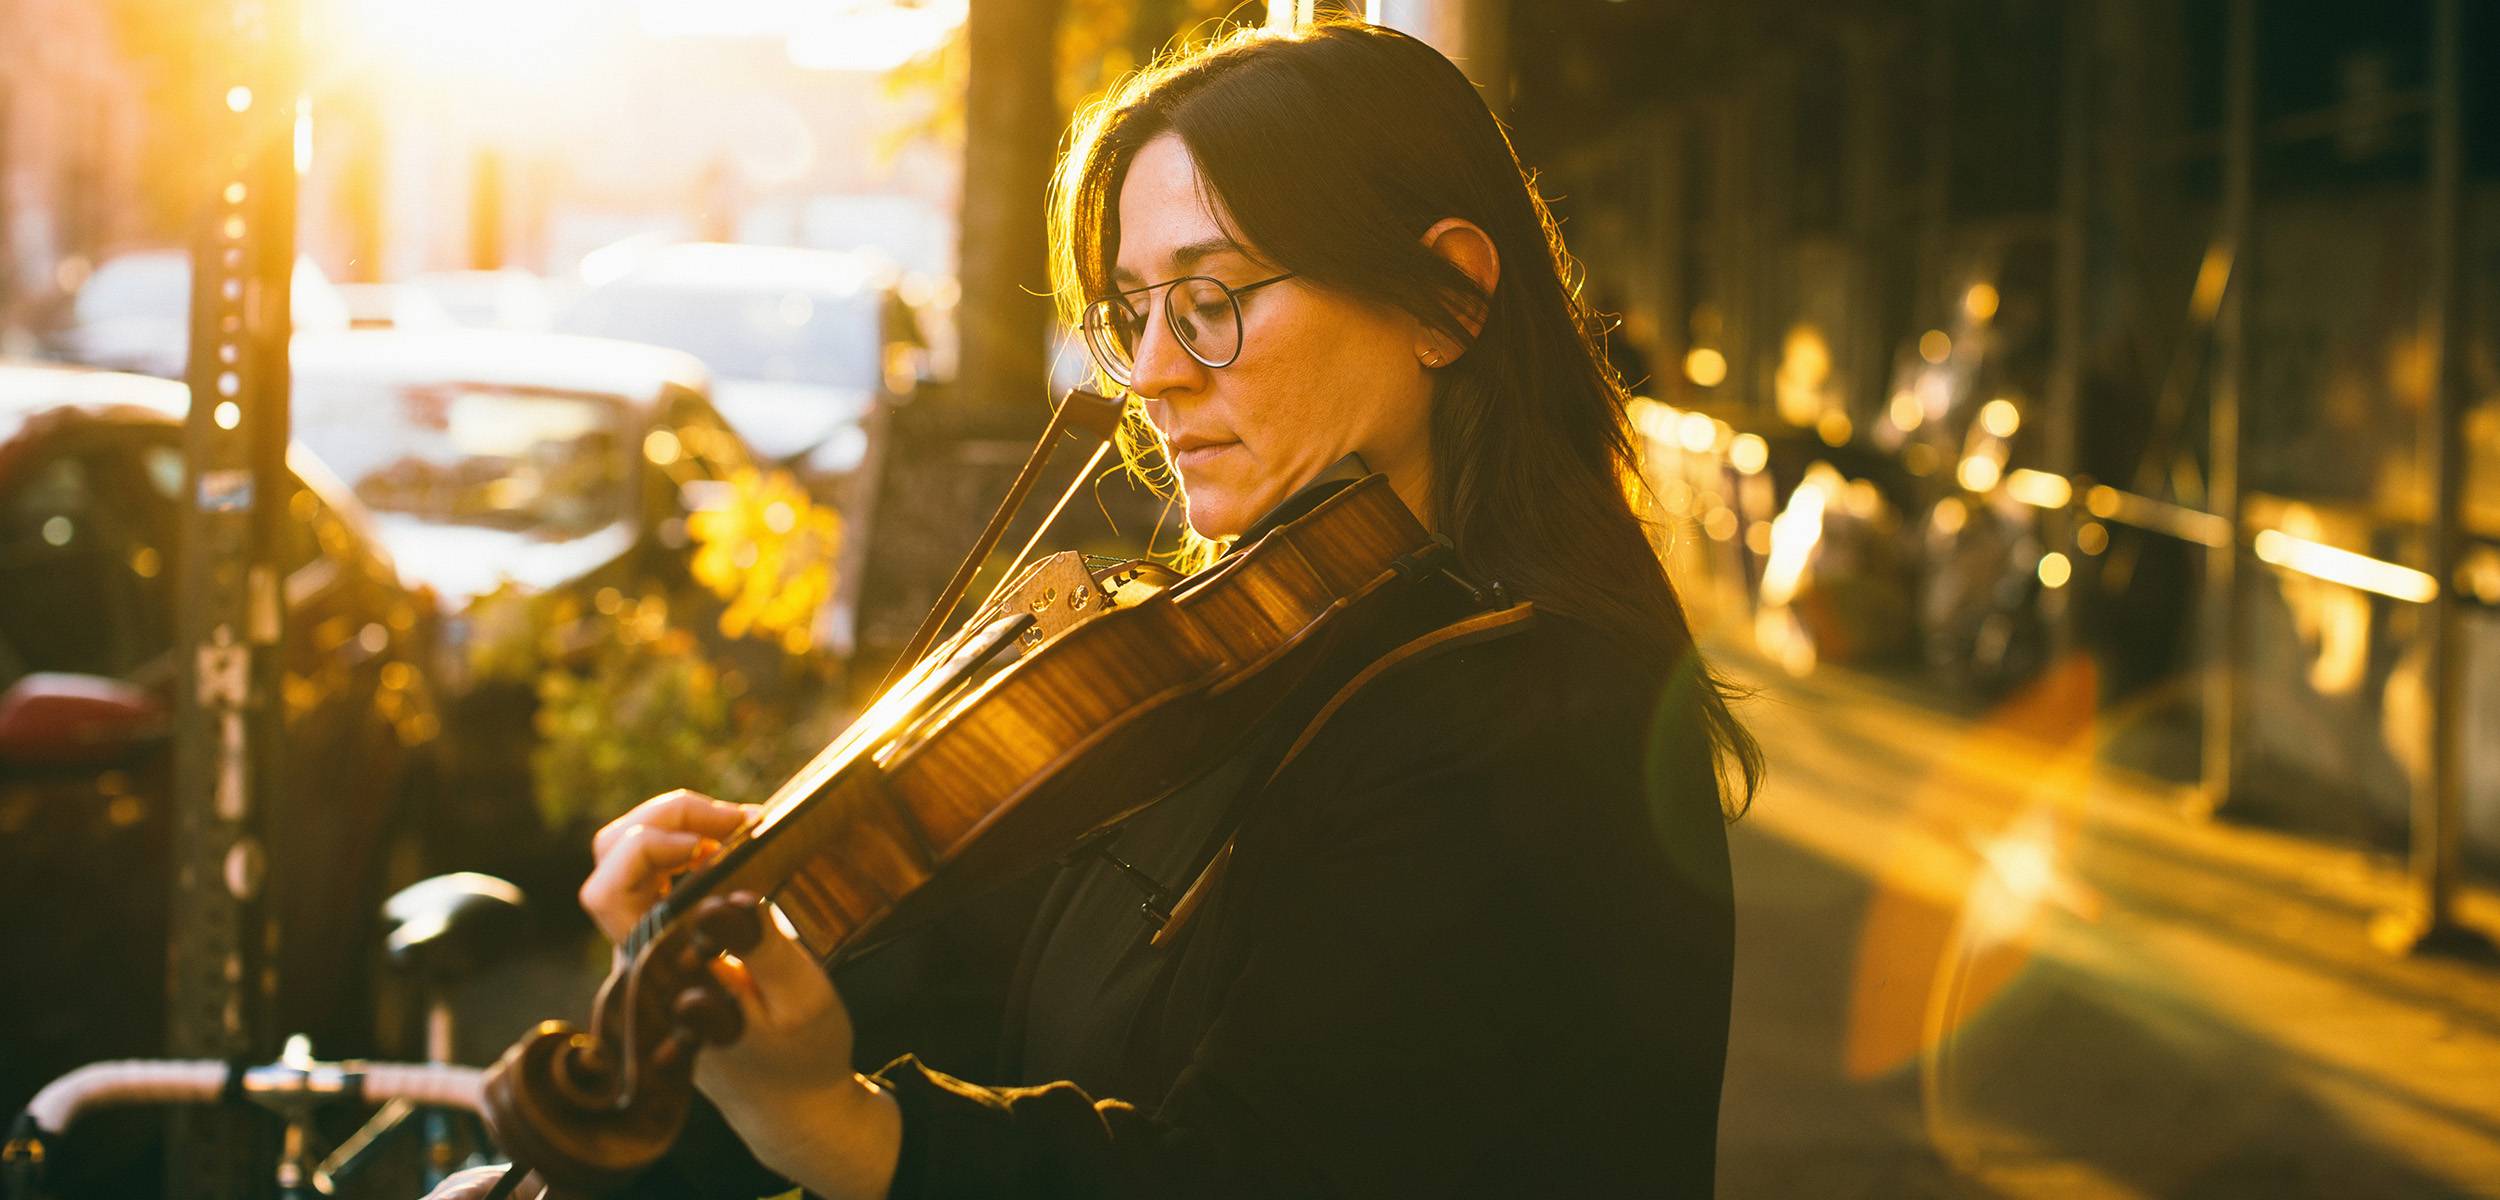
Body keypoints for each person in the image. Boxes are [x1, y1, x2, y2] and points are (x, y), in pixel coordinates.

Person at [435, 18, 1758, 1199]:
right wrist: (716, 1018)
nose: (1155, 375)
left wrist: (848, 1131)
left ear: (1447, 298)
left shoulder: (1527, 716)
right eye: (1135, 311)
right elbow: (974, 991)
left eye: (1214, 299)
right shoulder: (1240, 658)